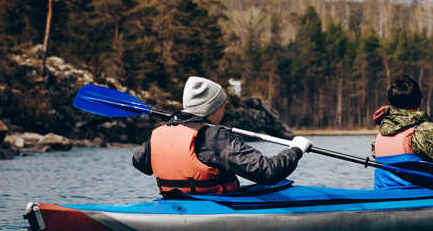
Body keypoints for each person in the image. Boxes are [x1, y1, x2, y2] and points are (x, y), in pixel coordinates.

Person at [133, 76, 312, 194]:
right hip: (214, 207)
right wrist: (296, 150)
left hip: (173, 205)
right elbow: (268, 172)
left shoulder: (161, 132)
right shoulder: (215, 136)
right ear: (214, 107)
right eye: (223, 105)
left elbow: (139, 162)